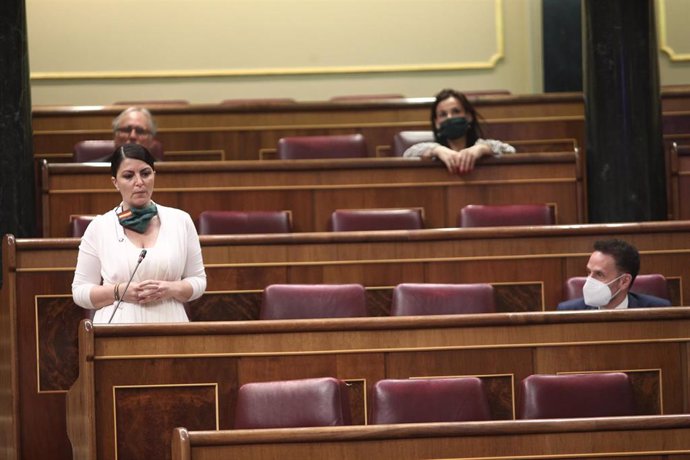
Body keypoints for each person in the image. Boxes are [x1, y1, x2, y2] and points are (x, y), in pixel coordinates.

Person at [71, 143, 206, 323]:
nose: (139, 182)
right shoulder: (100, 227)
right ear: (115, 182)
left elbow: (198, 280)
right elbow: (80, 292)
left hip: (171, 328)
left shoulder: (180, 221)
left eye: (145, 173)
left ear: (154, 176)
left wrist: (171, 289)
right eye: (128, 176)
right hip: (117, 332)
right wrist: (119, 291)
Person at [403, 88, 515, 174]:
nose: (450, 117)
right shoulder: (433, 149)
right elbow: (407, 155)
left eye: (456, 111)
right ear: (437, 123)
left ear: (468, 117)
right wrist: (436, 150)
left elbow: (511, 152)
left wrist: (483, 149)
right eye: (443, 114)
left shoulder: (481, 145)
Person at [557, 239, 671, 311]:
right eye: (588, 272)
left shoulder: (658, 311)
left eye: (599, 274)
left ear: (624, 281)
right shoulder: (568, 312)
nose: (589, 281)